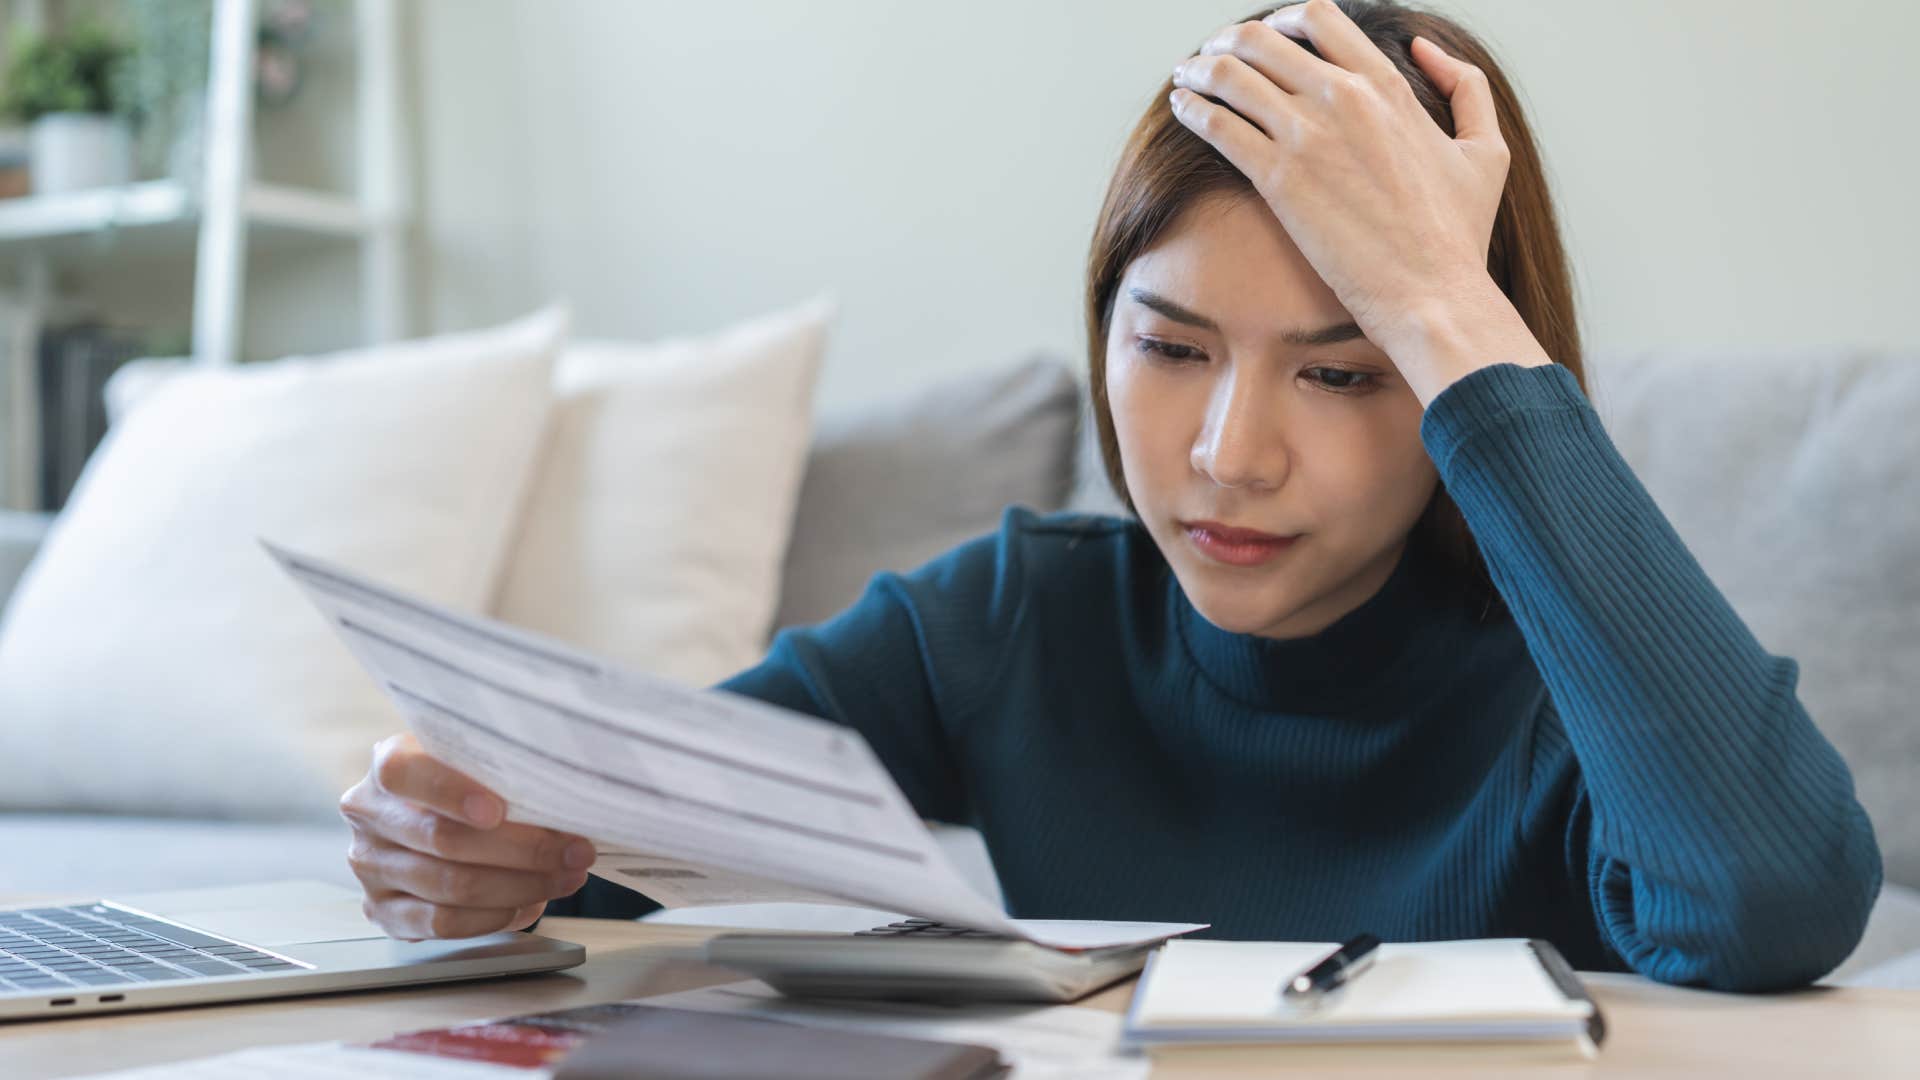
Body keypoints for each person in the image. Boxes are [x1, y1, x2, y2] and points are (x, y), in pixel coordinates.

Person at [338, 0, 1881, 992]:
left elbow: (1775, 901)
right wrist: (482, 837)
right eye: (1170, 345)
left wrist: (1439, 297)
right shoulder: (1009, 621)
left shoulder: (1589, 698)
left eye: (1345, 370)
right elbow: (617, 840)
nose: (1225, 453)